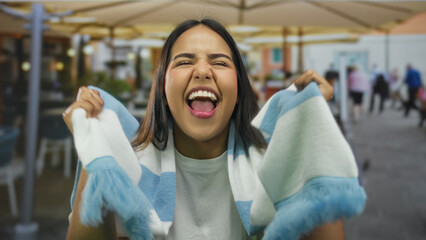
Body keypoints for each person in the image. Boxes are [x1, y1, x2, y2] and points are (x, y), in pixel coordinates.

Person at [63, 19, 365, 240]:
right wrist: (94, 145)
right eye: (184, 62)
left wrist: (310, 128)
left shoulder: (274, 164)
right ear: (163, 88)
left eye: (219, 62)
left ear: (239, 89)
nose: (203, 71)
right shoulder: (129, 168)